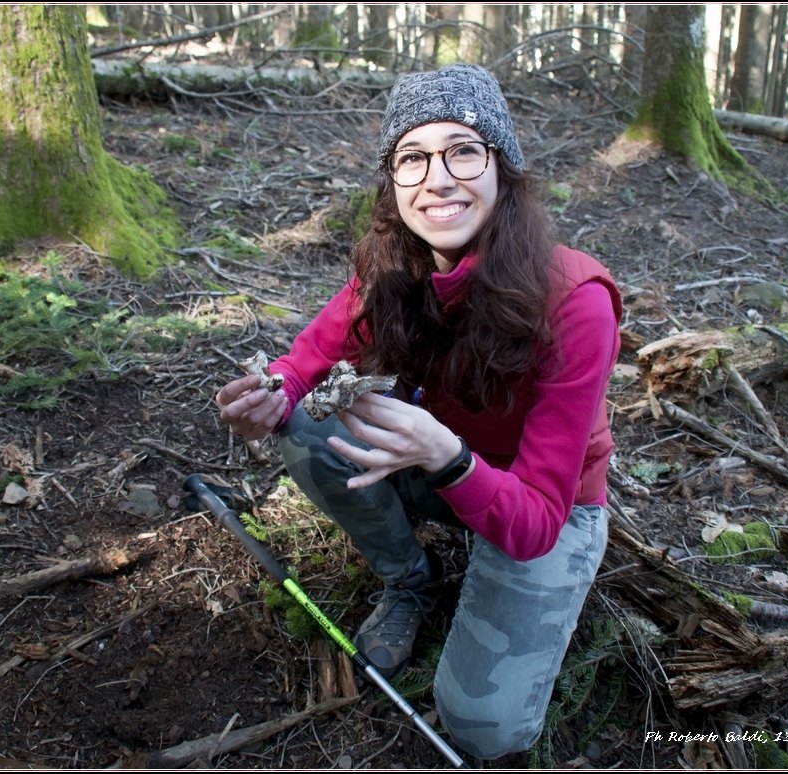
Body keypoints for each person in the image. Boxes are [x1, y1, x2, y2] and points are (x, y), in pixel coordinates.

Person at [214, 63, 623, 761]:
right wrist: (269, 392)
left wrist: (449, 456)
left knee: (482, 727)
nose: (437, 179)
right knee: (303, 420)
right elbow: (308, 359)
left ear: (503, 167)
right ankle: (411, 578)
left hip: (541, 509)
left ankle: (498, 588)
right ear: (393, 181)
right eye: (413, 157)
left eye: (463, 150)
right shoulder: (395, 268)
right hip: (437, 461)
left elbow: (535, 524)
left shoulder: (574, 301)